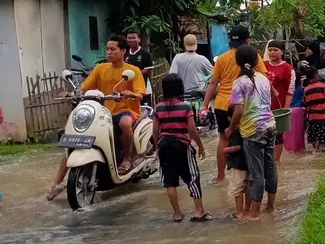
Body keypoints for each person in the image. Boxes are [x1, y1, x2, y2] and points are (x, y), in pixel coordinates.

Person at [202, 26, 266, 183]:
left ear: (230, 41)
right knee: (249, 138)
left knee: (223, 139)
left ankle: (220, 176)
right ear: (248, 40)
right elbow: (263, 78)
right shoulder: (254, 57)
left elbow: (213, 83)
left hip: (223, 104)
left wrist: (204, 105)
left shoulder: (222, 58)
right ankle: (249, 175)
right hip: (247, 105)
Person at [79, 35, 146, 173]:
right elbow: (84, 88)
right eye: (107, 49)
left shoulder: (133, 71)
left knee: (125, 124)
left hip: (126, 110)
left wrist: (132, 94)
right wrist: (71, 93)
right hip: (103, 111)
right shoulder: (100, 69)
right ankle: (58, 180)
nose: (108, 52)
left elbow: (140, 94)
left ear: (123, 51)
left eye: (113, 49)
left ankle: (127, 159)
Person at [227, 44, 277, 220]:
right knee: (270, 168)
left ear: (238, 62)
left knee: (256, 173)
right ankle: (270, 207)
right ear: (256, 61)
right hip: (270, 126)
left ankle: (254, 214)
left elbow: (238, 111)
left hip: (253, 130)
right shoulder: (263, 79)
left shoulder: (239, 82)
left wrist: (231, 128)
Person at [154, 73, 209, 222]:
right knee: (193, 177)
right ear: (180, 88)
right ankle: (199, 210)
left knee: (170, 181)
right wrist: (201, 146)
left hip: (164, 145)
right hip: (182, 145)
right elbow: (192, 129)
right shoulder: (185, 107)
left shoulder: (158, 108)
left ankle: (177, 213)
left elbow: (155, 131)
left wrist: (157, 148)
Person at [265, 40, 294, 163]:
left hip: (279, 106)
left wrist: (285, 109)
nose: (272, 52)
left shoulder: (288, 68)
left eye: (275, 50)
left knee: (278, 135)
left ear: (281, 52)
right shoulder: (262, 65)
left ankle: (276, 161)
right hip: (263, 106)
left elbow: (290, 90)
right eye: (270, 50)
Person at [223, 112, 251, 220]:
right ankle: (247, 210)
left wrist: (224, 150)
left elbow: (238, 147)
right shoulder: (248, 129)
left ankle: (239, 213)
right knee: (248, 189)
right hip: (249, 164)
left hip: (238, 165)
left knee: (237, 189)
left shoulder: (234, 132)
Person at [302, 66, 325, 151]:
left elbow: (305, 102)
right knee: (320, 135)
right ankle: (317, 150)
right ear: (316, 76)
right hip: (321, 116)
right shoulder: (322, 86)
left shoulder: (306, 89)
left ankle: (314, 148)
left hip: (311, 117)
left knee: (313, 134)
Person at [125, 30, 154, 107]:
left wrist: (134, 74)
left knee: (145, 110)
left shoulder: (145, 53)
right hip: (128, 89)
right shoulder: (125, 54)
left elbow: (149, 70)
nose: (131, 40)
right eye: (129, 38)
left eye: (133, 38)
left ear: (139, 40)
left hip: (144, 88)